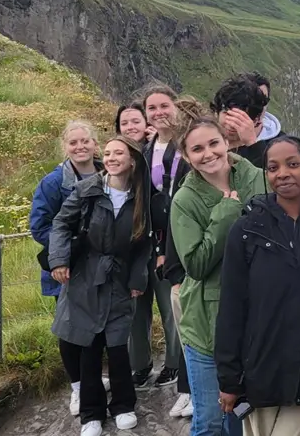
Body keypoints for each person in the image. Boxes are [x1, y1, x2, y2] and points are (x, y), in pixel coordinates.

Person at [216, 136, 300, 436]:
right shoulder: (247, 229)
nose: (282, 173)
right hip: (261, 368)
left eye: (293, 164)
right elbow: (231, 307)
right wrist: (229, 379)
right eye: (273, 167)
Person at [170, 106, 269, 436]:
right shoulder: (185, 199)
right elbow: (195, 265)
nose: (208, 153)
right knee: (211, 420)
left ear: (226, 142)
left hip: (254, 317)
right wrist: (226, 213)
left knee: (241, 419)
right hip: (205, 324)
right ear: (186, 155)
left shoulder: (255, 176)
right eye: (197, 149)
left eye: (213, 143)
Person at [48, 136, 153, 436]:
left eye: (118, 153)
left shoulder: (140, 196)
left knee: (118, 346)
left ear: (132, 159)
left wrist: (137, 278)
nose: (110, 157)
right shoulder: (87, 190)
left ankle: (123, 405)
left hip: (119, 281)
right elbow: (60, 224)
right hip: (85, 278)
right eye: (106, 153)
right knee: (88, 346)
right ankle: (90, 413)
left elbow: (143, 245)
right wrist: (58, 260)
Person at [29, 120, 106, 417]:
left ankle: (93, 380)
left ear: (95, 143)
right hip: (68, 269)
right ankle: (78, 389)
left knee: (96, 328)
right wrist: (74, 244)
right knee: (70, 330)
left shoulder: (108, 173)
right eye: (73, 142)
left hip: (99, 269)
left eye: (85, 141)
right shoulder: (52, 183)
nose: (80, 147)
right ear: (65, 147)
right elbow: (39, 226)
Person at [131, 86, 186, 396]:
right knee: (158, 303)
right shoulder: (147, 148)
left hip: (177, 238)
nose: (158, 112)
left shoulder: (186, 143)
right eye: (152, 108)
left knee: (171, 307)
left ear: (175, 106)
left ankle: (176, 367)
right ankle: (150, 366)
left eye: (164, 105)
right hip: (153, 238)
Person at [212, 72, 283, 169]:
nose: (232, 123)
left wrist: (254, 146)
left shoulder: (280, 147)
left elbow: (273, 180)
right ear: (217, 112)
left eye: (241, 118)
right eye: (227, 114)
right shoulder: (202, 145)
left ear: (256, 120)